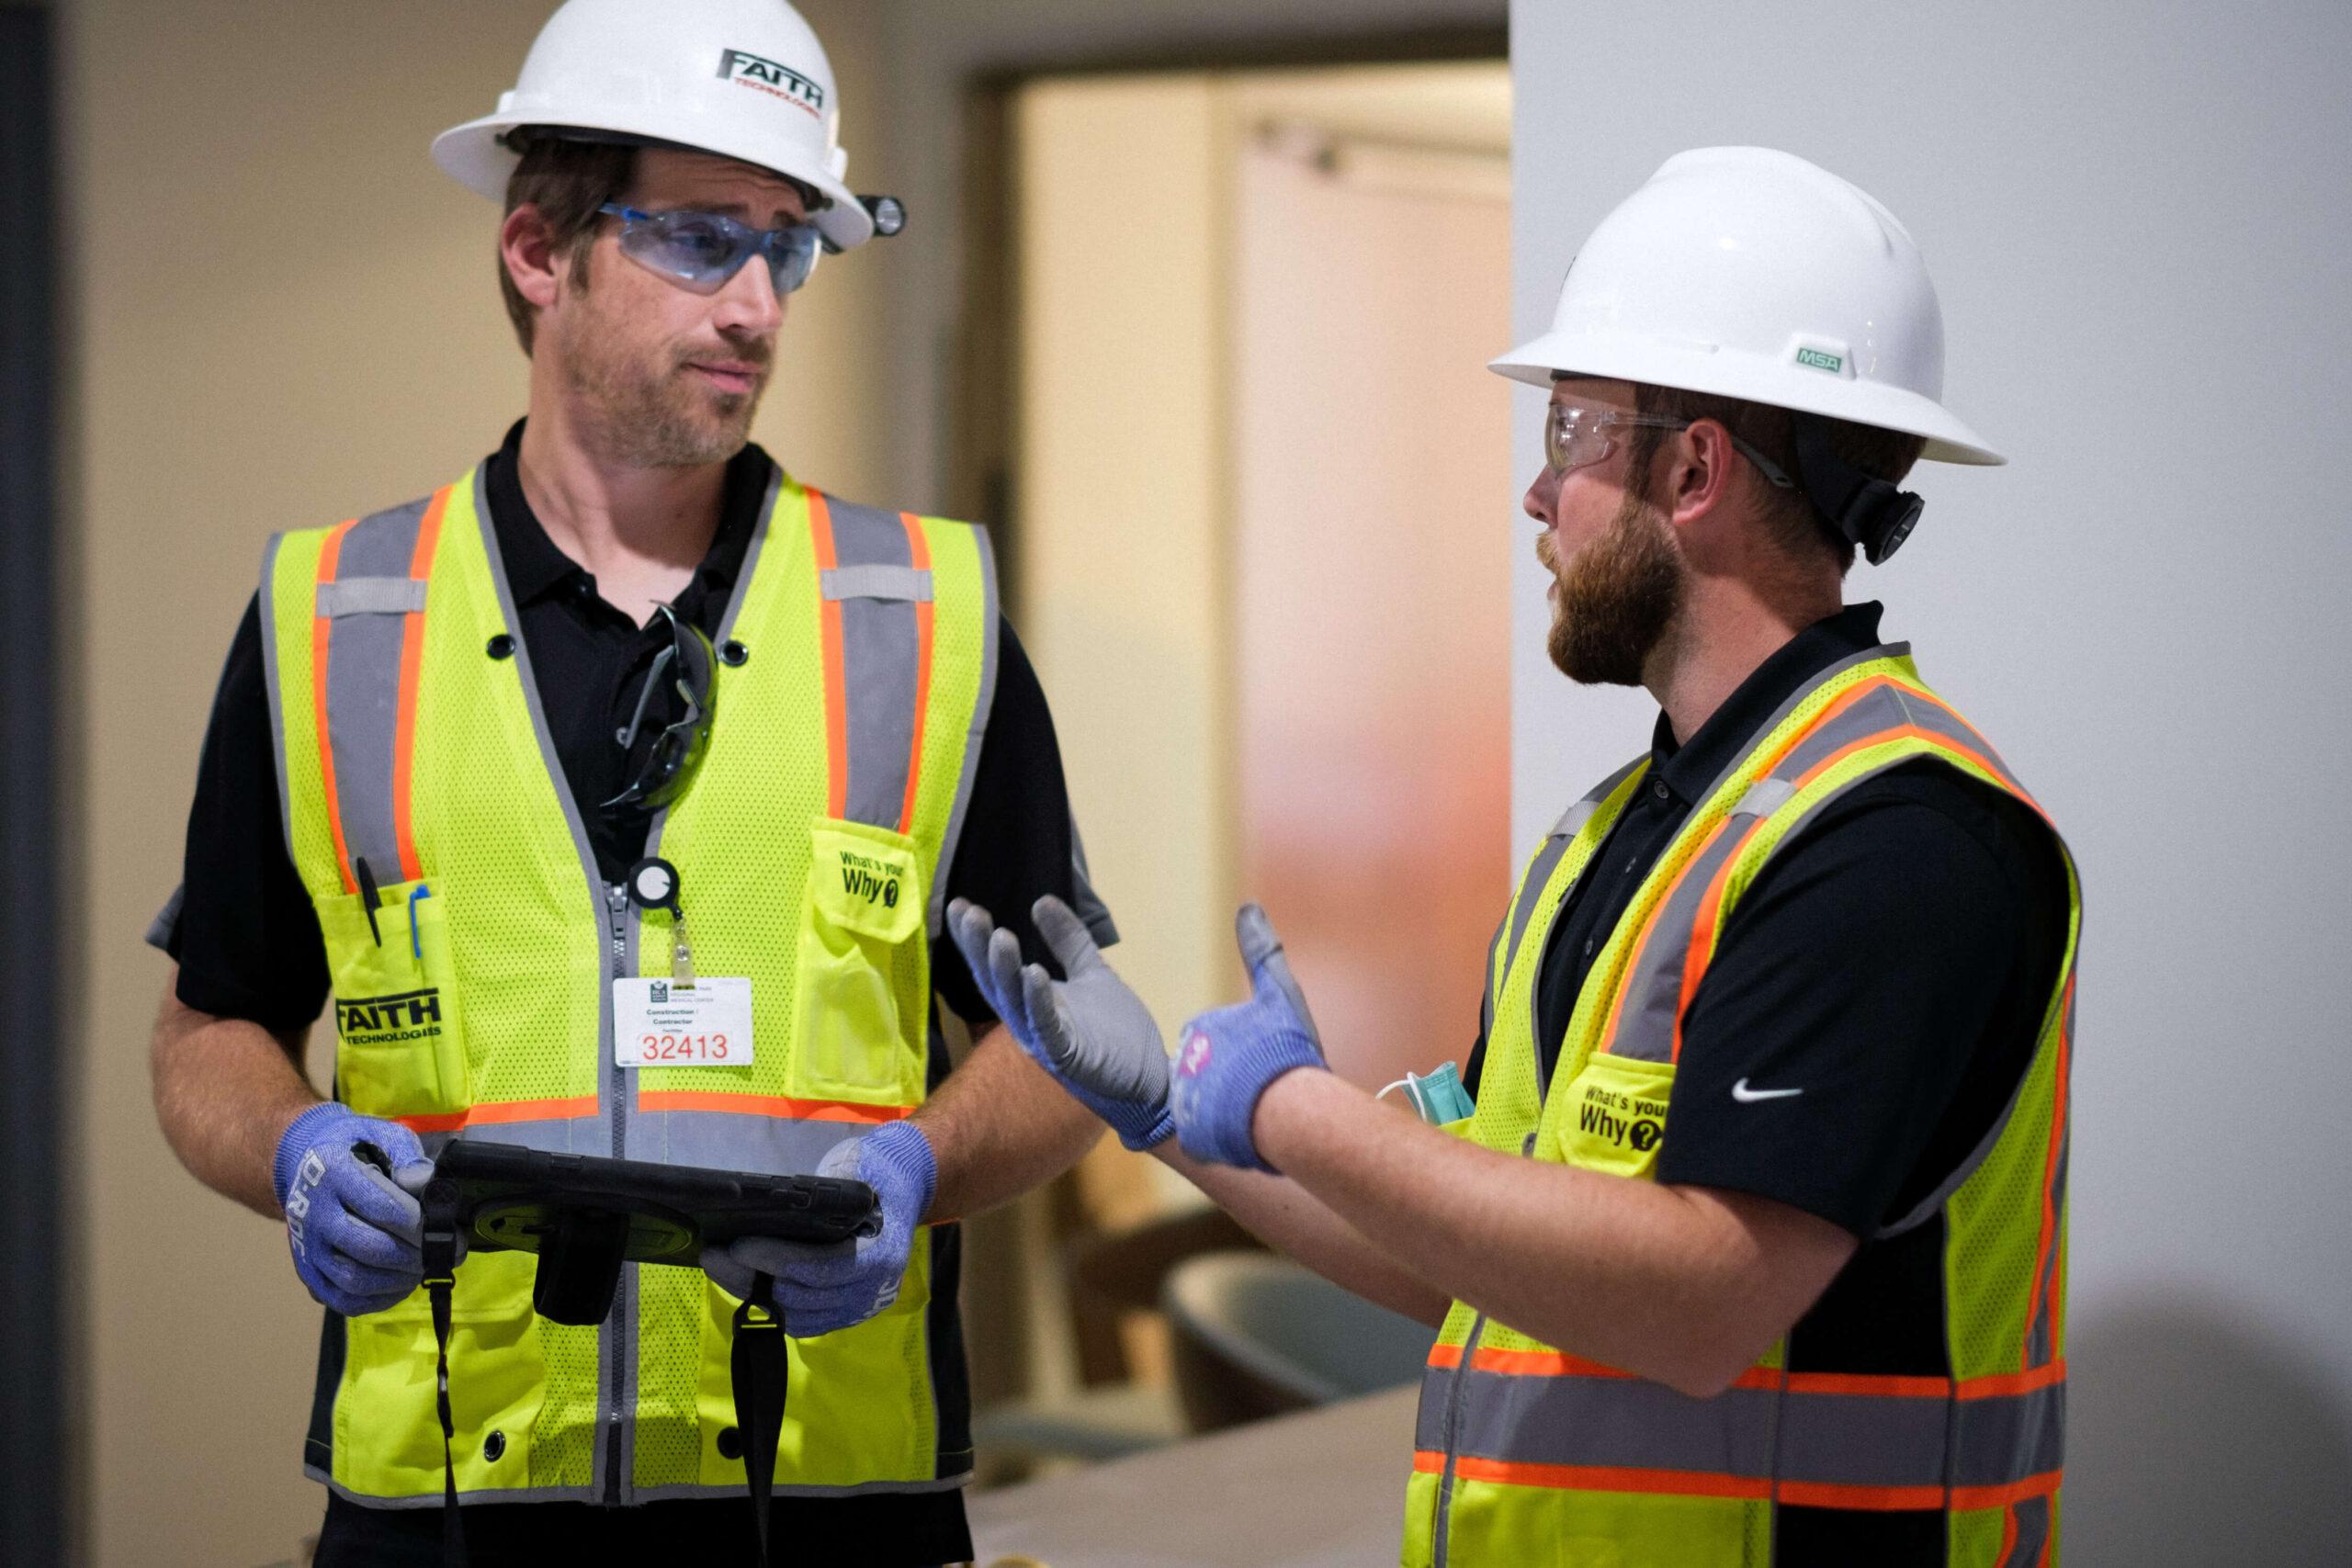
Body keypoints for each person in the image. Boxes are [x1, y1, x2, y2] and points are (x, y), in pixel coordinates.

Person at [949, 147, 2079, 1567]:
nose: (1537, 501)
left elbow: (1700, 1304)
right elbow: (1468, 1266)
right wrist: (1175, 1124)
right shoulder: (1619, 838)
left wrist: (1294, 1109)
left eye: (1569, 436)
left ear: (1693, 467)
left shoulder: (1902, 843)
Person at [145, 3, 1110, 1562]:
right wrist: (291, 1149)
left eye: (788, 247)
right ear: (543, 249)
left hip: (823, 1499)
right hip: (449, 1499)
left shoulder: (920, 618)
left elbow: (1066, 1046)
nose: (757, 306)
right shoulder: (336, 619)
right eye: (699, 240)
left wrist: (916, 1172)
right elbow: (210, 1023)